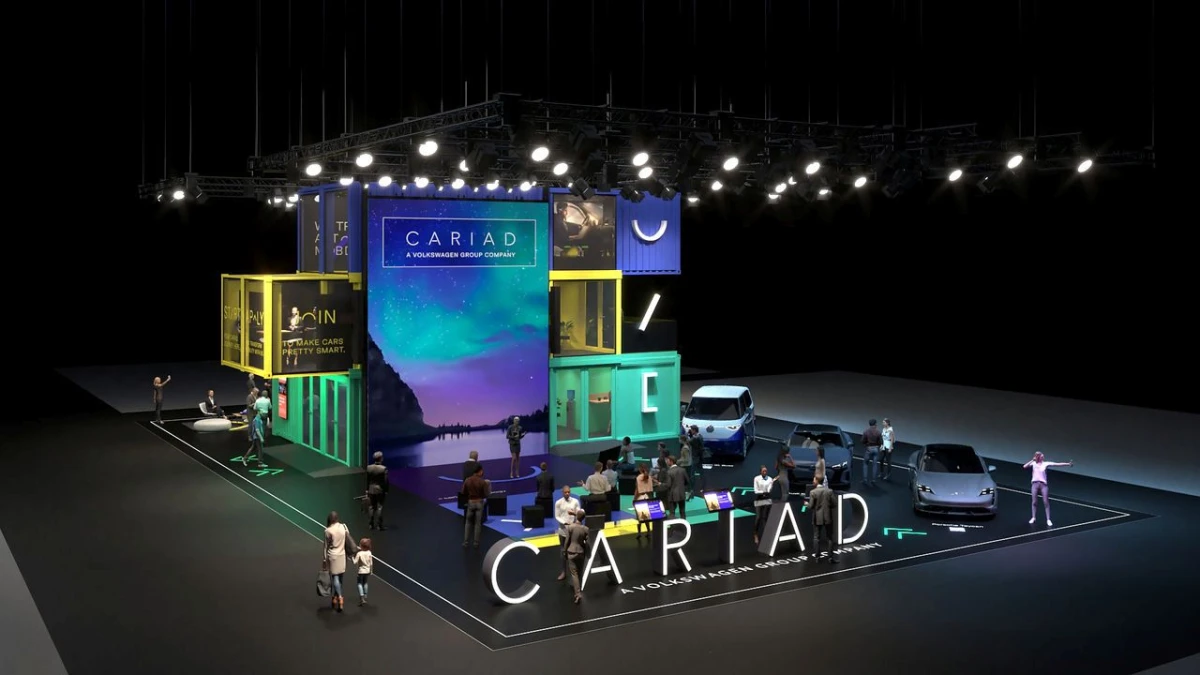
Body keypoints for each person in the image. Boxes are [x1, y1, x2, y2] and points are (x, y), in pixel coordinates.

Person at [1023, 451, 1073, 527]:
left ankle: (1048, 519)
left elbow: (1057, 464)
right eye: (1040, 456)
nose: (1042, 457)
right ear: (1038, 457)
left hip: (1043, 485)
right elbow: (1024, 466)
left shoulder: (1045, 464)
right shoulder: (1033, 463)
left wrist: (1068, 464)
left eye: (1042, 456)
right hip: (1035, 484)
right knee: (1034, 502)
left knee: (1046, 502)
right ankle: (1033, 517)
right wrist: (1032, 460)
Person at [323, 511, 357, 613]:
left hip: (333, 556)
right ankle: (335, 597)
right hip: (342, 555)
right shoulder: (343, 526)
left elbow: (325, 546)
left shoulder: (328, 531)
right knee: (340, 579)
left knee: (335, 578)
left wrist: (324, 559)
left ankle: (340, 597)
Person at [554, 486, 582, 581]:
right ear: (562, 492)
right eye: (565, 492)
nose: (567, 494)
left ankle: (574, 571)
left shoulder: (575, 501)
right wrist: (564, 522)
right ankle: (563, 571)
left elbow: (580, 514)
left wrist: (574, 514)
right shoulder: (558, 503)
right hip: (563, 530)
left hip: (573, 530)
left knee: (574, 550)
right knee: (563, 551)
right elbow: (557, 516)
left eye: (568, 492)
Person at [563, 509, 590, 604]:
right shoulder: (586, 529)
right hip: (581, 553)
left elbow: (567, 541)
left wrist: (564, 551)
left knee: (574, 574)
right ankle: (579, 589)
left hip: (571, 552)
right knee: (580, 572)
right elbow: (587, 543)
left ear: (576, 516)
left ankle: (577, 594)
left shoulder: (570, 527)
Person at [807, 476, 836, 563]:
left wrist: (806, 504)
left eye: (814, 479)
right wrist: (827, 507)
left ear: (817, 480)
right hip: (828, 517)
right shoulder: (829, 491)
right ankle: (830, 558)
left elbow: (810, 506)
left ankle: (817, 557)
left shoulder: (813, 492)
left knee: (816, 537)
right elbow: (835, 504)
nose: (813, 481)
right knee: (829, 537)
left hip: (817, 518)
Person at [462, 464, 489, 548]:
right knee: (477, 524)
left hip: (471, 503)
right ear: (479, 471)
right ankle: (476, 543)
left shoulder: (467, 480)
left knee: (468, 523)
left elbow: (463, 492)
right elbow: (486, 494)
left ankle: (466, 542)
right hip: (479, 503)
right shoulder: (482, 482)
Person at [752, 465, 775, 545]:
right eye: (763, 471)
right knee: (758, 517)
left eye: (766, 471)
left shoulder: (770, 479)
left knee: (765, 517)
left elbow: (769, 490)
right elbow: (756, 491)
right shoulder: (756, 478)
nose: (765, 472)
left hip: (767, 499)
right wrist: (763, 492)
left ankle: (766, 535)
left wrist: (771, 485)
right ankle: (755, 534)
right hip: (759, 499)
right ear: (760, 472)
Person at [366, 451, 388, 530]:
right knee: (379, 507)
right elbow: (385, 481)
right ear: (381, 459)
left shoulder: (369, 467)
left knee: (371, 507)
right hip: (380, 490)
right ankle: (379, 526)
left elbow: (367, 480)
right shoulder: (383, 469)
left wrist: (367, 489)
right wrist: (386, 490)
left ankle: (371, 524)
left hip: (371, 490)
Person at [664, 456, 689, 521]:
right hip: (681, 493)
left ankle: (673, 526)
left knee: (672, 513)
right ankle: (684, 525)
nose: (666, 462)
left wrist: (661, 484)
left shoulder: (669, 472)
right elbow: (687, 481)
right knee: (682, 512)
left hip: (672, 495)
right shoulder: (682, 470)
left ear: (671, 461)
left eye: (668, 461)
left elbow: (668, 485)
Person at [634, 464, 654, 538]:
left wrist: (634, 499)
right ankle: (648, 532)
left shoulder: (638, 478)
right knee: (646, 516)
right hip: (647, 498)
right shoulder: (649, 477)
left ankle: (639, 533)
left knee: (639, 517)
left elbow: (637, 490)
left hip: (640, 498)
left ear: (640, 469)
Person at [861, 419, 883, 487]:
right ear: (875, 424)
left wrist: (866, 444)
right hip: (876, 449)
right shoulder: (878, 432)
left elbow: (862, 441)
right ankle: (873, 480)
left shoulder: (866, 431)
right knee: (874, 465)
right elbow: (881, 442)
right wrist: (877, 445)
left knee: (865, 464)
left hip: (869, 449)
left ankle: (865, 479)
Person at [352, 538, 373, 606]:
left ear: (361, 546)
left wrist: (352, 557)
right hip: (367, 571)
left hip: (361, 572)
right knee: (365, 582)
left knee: (359, 583)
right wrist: (371, 571)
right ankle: (365, 595)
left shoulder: (359, 553)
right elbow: (371, 563)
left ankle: (362, 597)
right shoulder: (369, 553)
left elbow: (354, 562)